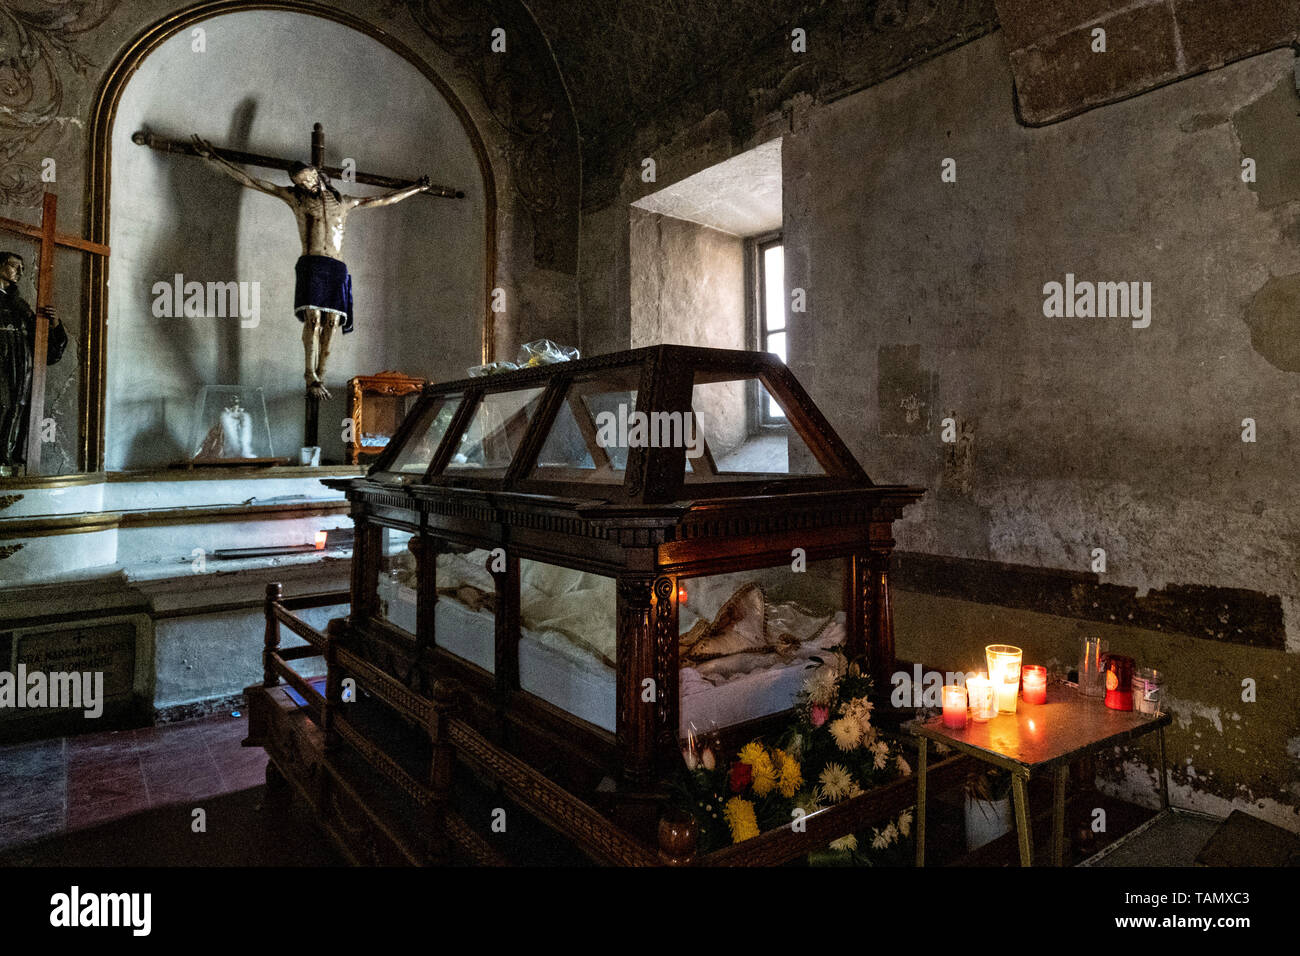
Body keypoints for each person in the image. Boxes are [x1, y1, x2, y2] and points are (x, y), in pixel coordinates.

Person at [192, 136, 430, 399]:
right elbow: (253, 181)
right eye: (300, 182)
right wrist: (215, 158)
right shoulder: (296, 199)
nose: (305, 184)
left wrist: (415, 189)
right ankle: (310, 374)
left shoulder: (343, 202)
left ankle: (321, 374)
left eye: (307, 179)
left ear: (317, 174)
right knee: (313, 318)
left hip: (336, 266)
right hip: (312, 263)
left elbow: (384, 200)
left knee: (333, 321)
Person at [0, 251, 66, 474]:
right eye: (13, 266)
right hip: (3, 372)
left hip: (22, 376)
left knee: (17, 413)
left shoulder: (21, 308)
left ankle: (8, 461)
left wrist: (55, 325)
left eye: (22, 268)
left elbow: (46, 350)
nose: (19, 272)